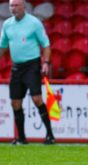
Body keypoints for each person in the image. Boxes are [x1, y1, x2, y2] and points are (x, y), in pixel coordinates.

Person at [0, 0, 55, 145]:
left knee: (37, 99)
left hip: (32, 65)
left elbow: (46, 44)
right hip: (16, 67)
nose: (13, 8)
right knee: (15, 102)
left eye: (16, 5)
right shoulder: (7, 25)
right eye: (11, 5)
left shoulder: (34, 23)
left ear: (24, 6)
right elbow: (3, 46)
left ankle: (50, 135)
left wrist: (46, 63)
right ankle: (21, 138)